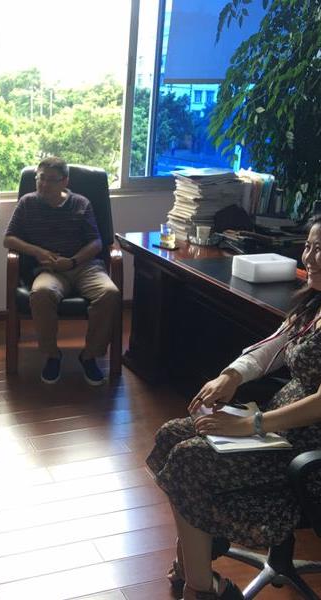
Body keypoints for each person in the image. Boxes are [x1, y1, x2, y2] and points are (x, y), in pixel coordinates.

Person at [146, 217, 321, 599]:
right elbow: (274, 346)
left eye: (320, 249)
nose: (310, 257)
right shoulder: (314, 303)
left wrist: (252, 424)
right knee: (171, 436)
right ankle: (195, 564)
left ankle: (201, 588)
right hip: (276, 429)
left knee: (190, 461)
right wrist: (231, 375)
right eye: (309, 246)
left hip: (305, 449)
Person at [3, 156, 121, 385]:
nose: (44, 184)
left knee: (110, 293)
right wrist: (38, 252)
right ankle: (52, 355)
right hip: (49, 270)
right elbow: (8, 239)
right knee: (41, 293)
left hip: (85, 266)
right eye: (41, 178)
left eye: (51, 180)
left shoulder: (81, 204)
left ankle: (89, 356)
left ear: (65, 181)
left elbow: (97, 242)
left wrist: (73, 261)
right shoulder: (27, 203)